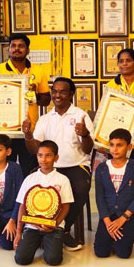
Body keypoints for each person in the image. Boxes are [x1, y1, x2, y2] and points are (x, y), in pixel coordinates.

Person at [22, 77, 94, 252]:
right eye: (54, 91)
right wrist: (28, 135)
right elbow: (34, 150)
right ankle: (37, 229)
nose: (57, 95)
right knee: (32, 186)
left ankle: (61, 229)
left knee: (80, 188)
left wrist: (85, 135)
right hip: (50, 167)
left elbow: (88, 150)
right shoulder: (45, 119)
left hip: (76, 165)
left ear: (71, 94)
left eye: (62, 92)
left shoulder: (81, 116)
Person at [0, 34, 51, 176]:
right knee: (5, 173)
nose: (17, 49)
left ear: (27, 50)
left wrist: (34, 95)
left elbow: (46, 100)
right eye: (13, 46)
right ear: (9, 49)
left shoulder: (38, 71)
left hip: (29, 132)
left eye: (21, 46)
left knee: (29, 173)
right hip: (4, 131)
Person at [106, 48, 134, 230]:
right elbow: (105, 115)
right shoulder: (111, 86)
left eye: (128, 60)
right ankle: (115, 212)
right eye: (121, 61)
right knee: (116, 178)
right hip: (118, 143)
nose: (124, 64)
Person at [14, 140, 73, 266]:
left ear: (56, 158)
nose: (43, 159)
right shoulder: (30, 179)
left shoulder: (63, 180)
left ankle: (50, 241)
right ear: (37, 156)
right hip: (32, 226)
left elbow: (66, 206)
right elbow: (22, 206)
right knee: (21, 259)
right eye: (40, 155)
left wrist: (55, 224)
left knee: (53, 260)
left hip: (54, 226)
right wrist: (18, 232)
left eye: (48, 155)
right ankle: (39, 241)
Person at [94, 128, 134, 259]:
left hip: (126, 215)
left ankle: (125, 239)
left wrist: (123, 218)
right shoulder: (102, 168)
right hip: (108, 216)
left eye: (119, 145)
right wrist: (107, 222)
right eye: (112, 145)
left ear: (129, 147)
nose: (115, 149)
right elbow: (99, 197)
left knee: (123, 253)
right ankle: (111, 238)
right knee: (101, 252)